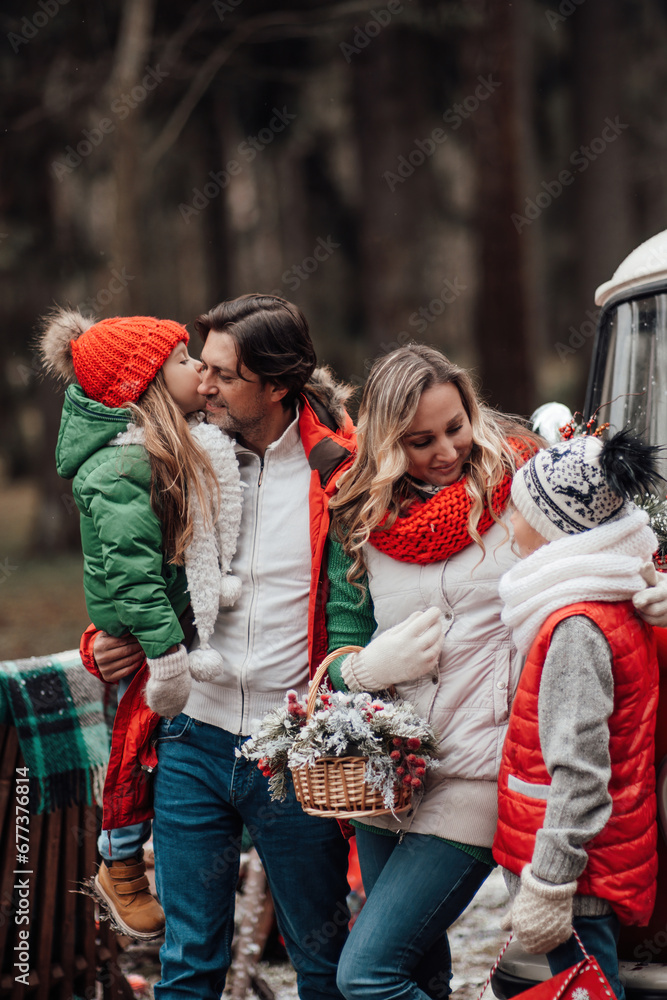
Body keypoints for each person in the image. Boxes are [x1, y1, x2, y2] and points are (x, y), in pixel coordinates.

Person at [83, 294, 356, 1000]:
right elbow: (126, 570)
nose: (202, 385)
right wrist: (101, 643)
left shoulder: (338, 469)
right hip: (190, 741)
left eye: (223, 374)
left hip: (292, 750)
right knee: (188, 964)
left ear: (278, 385)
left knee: (321, 962)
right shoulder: (172, 456)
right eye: (199, 366)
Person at [324, 343, 541, 1000]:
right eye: (420, 441)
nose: (446, 450)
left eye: (455, 427)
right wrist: (366, 669)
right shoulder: (361, 515)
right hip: (388, 776)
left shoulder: (523, 489)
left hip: (478, 770)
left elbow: (590, 569)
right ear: (388, 443)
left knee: (366, 975)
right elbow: (339, 654)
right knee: (418, 973)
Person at [39, 308, 243, 940]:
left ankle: (127, 856)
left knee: (148, 746)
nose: (198, 369)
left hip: (164, 629)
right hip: (146, 635)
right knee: (133, 747)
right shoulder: (122, 468)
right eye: (182, 360)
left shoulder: (171, 448)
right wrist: (165, 650)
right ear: (145, 386)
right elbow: (133, 575)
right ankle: (120, 862)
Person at [493, 431, 663, 1000]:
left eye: (519, 508)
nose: (508, 522)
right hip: (593, 861)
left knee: (592, 987)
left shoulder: (575, 628)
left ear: (555, 526)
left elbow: (582, 771)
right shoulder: (610, 600)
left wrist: (548, 881)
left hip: (578, 875)